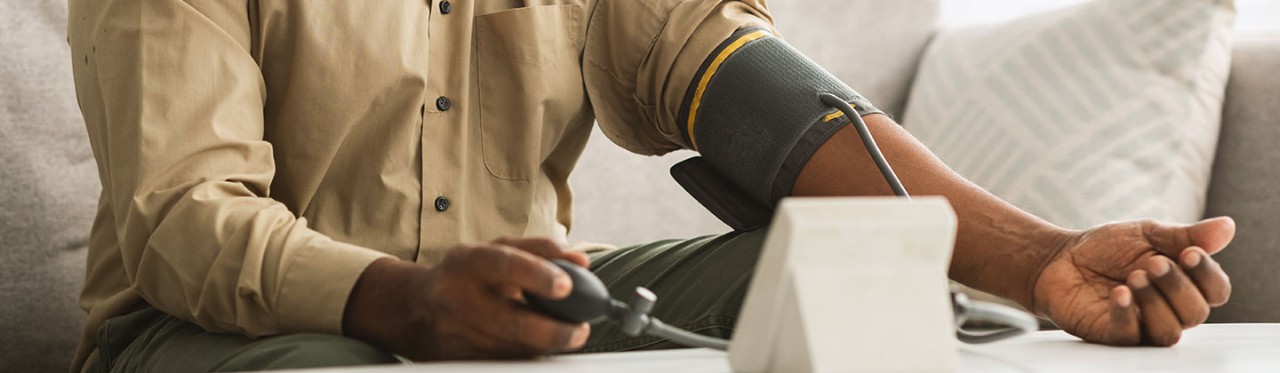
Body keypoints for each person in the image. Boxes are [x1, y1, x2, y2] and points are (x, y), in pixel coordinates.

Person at [65, 0, 1234, 371]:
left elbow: (749, 96)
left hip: (525, 301)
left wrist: (1035, 260)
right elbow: (181, 223)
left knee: (865, 300)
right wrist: (410, 302)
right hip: (218, 324)